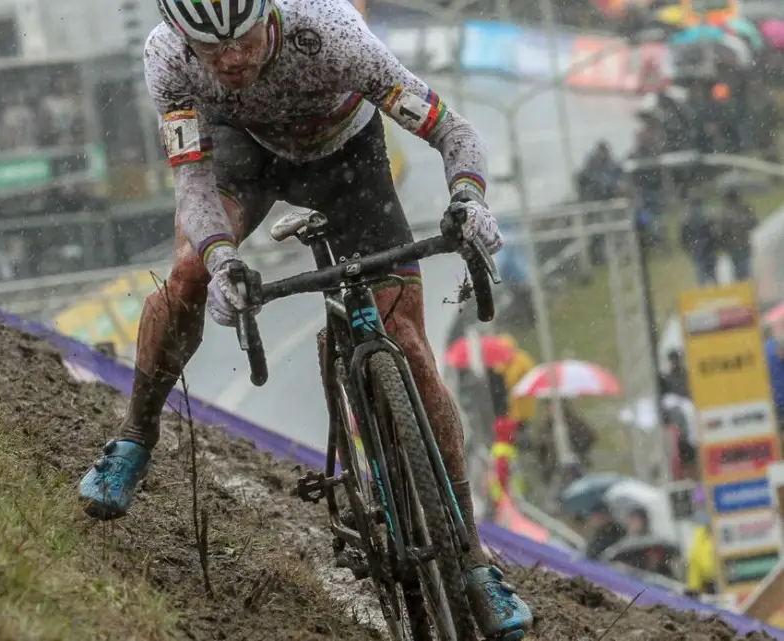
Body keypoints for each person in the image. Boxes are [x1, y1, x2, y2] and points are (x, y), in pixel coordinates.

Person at [76, 0, 532, 638]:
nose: (231, 60)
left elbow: (451, 130)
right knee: (187, 274)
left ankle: (475, 561)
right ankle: (134, 438)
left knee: (407, 341)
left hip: (346, 157)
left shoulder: (333, 35)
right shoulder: (169, 57)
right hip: (244, 155)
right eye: (213, 51)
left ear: (271, 17)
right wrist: (222, 257)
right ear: (184, 41)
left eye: (243, 40)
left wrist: (468, 196)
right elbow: (194, 185)